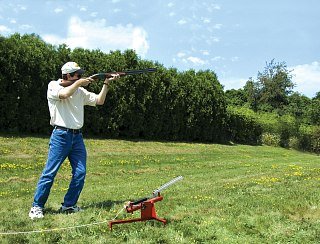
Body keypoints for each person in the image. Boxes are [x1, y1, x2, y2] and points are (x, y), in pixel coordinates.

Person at [29, 61, 119, 219]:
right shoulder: (54, 86)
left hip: (77, 137)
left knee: (80, 173)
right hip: (60, 136)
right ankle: (37, 207)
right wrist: (78, 83)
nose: (81, 76)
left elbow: (99, 101)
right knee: (50, 173)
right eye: (77, 74)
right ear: (68, 75)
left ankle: (68, 205)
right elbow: (64, 95)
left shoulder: (80, 91)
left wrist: (106, 83)